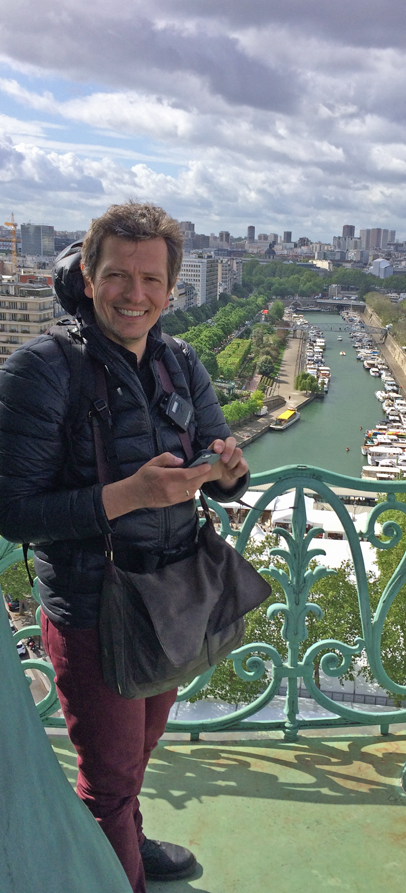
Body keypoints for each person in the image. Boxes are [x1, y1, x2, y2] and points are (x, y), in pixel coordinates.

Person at [0, 202, 250, 892]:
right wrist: (127, 496)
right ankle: (116, 875)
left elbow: (215, 454)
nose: (134, 295)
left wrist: (227, 471)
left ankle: (126, 844)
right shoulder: (42, 370)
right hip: (92, 607)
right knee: (108, 779)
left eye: (150, 280)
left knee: (134, 757)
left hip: (168, 599)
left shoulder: (180, 361)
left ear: (173, 290)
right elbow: (14, 512)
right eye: (117, 275)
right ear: (86, 274)